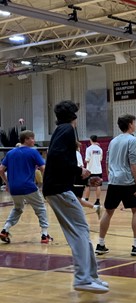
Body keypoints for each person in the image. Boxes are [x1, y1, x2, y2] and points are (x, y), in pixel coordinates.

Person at [42, 100, 109, 294]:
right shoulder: (67, 130)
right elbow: (55, 157)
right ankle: (82, 278)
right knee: (80, 231)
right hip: (58, 189)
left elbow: (59, 163)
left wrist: (84, 180)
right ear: (74, 116)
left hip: (59, 187)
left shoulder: (61, 130)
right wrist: (79, 170)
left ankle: (91, 276)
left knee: (82, 231)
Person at [95, 114, 136, 256]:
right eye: (135, 122)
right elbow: (133, 162)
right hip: (127, 181)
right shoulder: (133, 140)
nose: (135, 125)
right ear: (130, 124)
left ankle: (100, 244)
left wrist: (111, 176)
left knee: (108, 211)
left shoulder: (113, 141)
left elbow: (107, 161)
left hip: (114, 181)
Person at [0, 130, 52, 244]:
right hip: (28, 186)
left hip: (14, 188)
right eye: (32, 138)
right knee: (41, 208)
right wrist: (44, 183)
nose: (34, 141)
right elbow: (43, 168)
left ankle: (5, 229)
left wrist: (7, 183)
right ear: (26, 139)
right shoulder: (33, 152)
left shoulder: (10, 153)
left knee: (18, 208)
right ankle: (44, 234)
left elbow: (1, 170)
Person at [74, 141, 102, 219]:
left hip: (78, 179)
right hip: (78, 178)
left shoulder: (75, 154)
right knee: (77, 200)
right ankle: (96, 207)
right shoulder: (75, 153)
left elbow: (80, 166)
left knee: (76, 200)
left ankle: (80, 215)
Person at [83, 135, 103, 206]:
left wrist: (85, 160)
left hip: (90, 171)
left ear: (90, 140)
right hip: (98, 170)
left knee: (87, 186)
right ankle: (97, 201)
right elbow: (100, 159)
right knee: (98, 186)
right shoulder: (100, 149)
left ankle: (86, 200)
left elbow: (87, 160)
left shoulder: (88, 149)